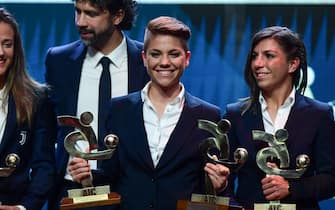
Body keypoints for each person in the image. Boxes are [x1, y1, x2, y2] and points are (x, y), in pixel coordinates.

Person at [68, 16, 229, 210]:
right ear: (144, 58)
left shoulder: (208, 115)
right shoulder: (120, 109)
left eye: (173, 54)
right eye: (156, 54)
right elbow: (111, 176)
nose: (164, 62)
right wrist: (88, 177)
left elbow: (209, 187)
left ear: (186, 58)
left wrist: (220, 186)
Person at [44, 0, 149, 209]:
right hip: (72, 189)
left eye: (91, 14)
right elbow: (47, 130)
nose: (80, 21)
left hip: (129, 191)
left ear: (117, 16)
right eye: (77, 12)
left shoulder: (146, 61)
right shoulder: (59, 60)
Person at [222, 26, 335, 210]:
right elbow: (224, 180)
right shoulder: (235, 115)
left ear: (293, 64)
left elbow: (331, 179)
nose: (257, 64)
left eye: (269, 56)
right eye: (254, 56)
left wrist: (291, 188)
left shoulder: (319, 114)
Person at [0, 8, 56, 210]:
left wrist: (24, 208)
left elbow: (44, 165)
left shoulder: (36, 99)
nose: (1, 52)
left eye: (7, 44)